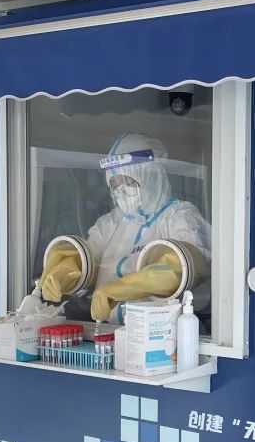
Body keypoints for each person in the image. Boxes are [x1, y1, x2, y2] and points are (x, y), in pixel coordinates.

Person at [40, 133, 212, 322]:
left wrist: (121, 289)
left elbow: (181, 269)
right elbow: (86, 257)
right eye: (114, 183)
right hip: (109, 330)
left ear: (150, 176)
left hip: (160, 331)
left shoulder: (180, 217)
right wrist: (62, 273)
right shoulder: (110, 223)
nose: (120, 190)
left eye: (128, 181)